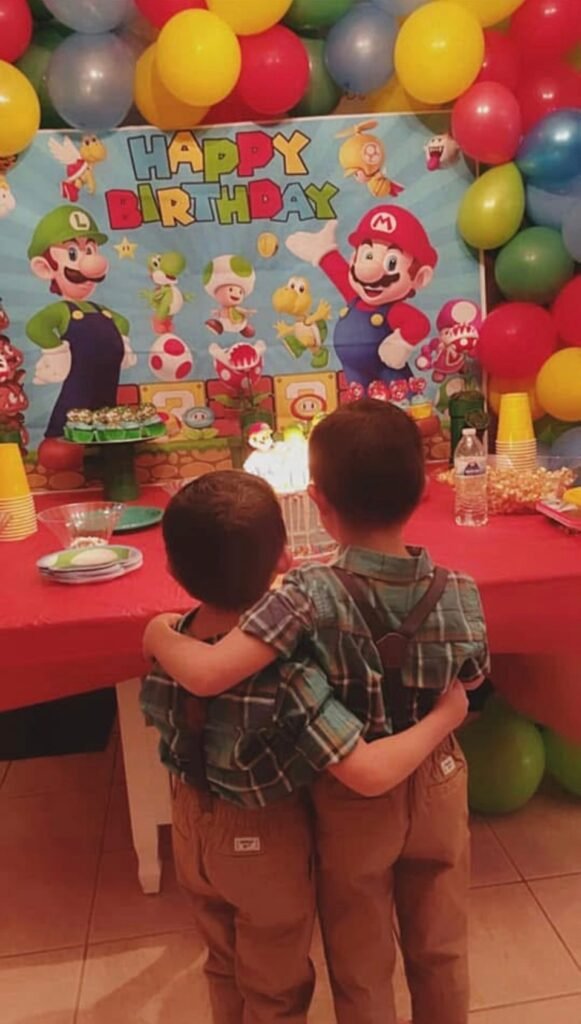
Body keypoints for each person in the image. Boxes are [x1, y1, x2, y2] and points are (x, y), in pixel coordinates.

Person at [142, 468, 471, 1024]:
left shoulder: (171, 640)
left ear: (172, 567)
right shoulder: (290, 671)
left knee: (223, 962)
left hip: (190, 821)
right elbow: (364, 770)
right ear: (285, 556)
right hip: (262, 833)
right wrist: (448, 714)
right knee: (276, 985)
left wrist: (155, 630)